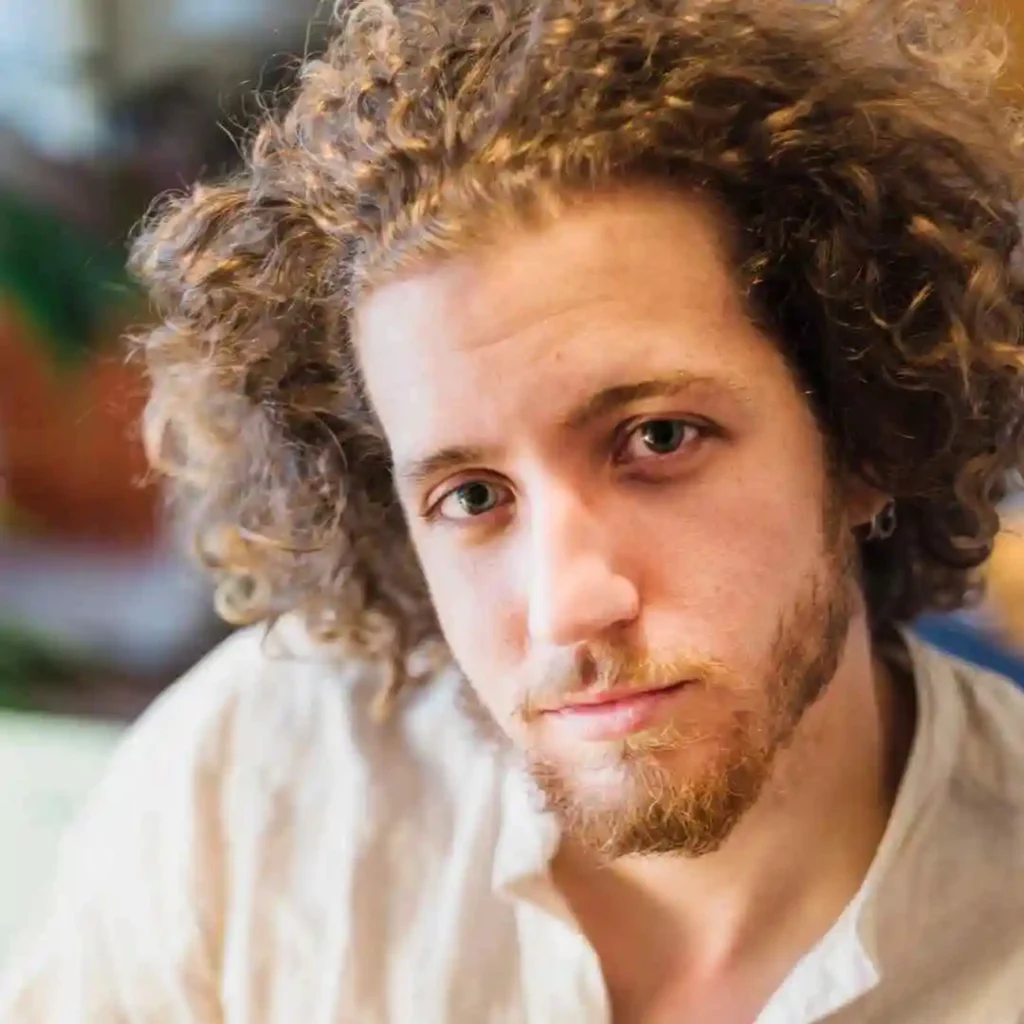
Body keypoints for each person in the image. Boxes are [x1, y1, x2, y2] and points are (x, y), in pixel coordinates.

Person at [3, 0, 1024, 1020]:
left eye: (657, 438)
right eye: (473, 497)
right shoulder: (250, 787)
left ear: (858, 434)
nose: (567, 602)